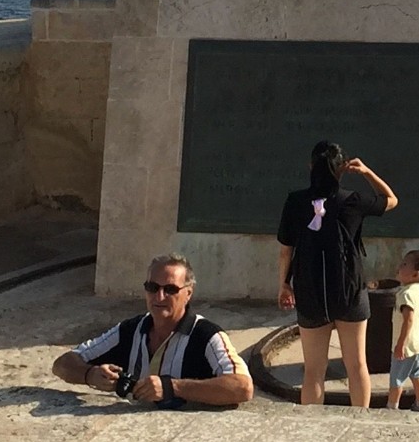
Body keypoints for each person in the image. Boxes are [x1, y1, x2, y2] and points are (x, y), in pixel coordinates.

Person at [277, 141, 399, 407]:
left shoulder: (295, 201)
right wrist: (366, 172)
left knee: (313, 372)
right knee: (356, 365)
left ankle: (315, 425)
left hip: (310, 290)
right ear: (342, 169)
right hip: (350, 291)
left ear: (311, 167)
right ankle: (360, 423)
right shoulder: (353, 201)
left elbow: (286, 251)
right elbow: (392, 200)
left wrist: (284, 286)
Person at [52, 253, 253, 408]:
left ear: (188, 294)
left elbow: (242, 387)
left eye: (171, 290)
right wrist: (90, 374)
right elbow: (62, 364)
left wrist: (172, 388)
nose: (159, 297)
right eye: (152, 287)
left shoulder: (207, 336)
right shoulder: (130, 330)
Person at [382, 249, 419, 413]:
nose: (399, 266)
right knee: (417, 374)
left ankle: (392, 407)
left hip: (407, 347)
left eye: (404, 264)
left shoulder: (407, 295)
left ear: (415, 275)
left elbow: (408, 319)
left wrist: (400, 344)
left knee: (396, 379)